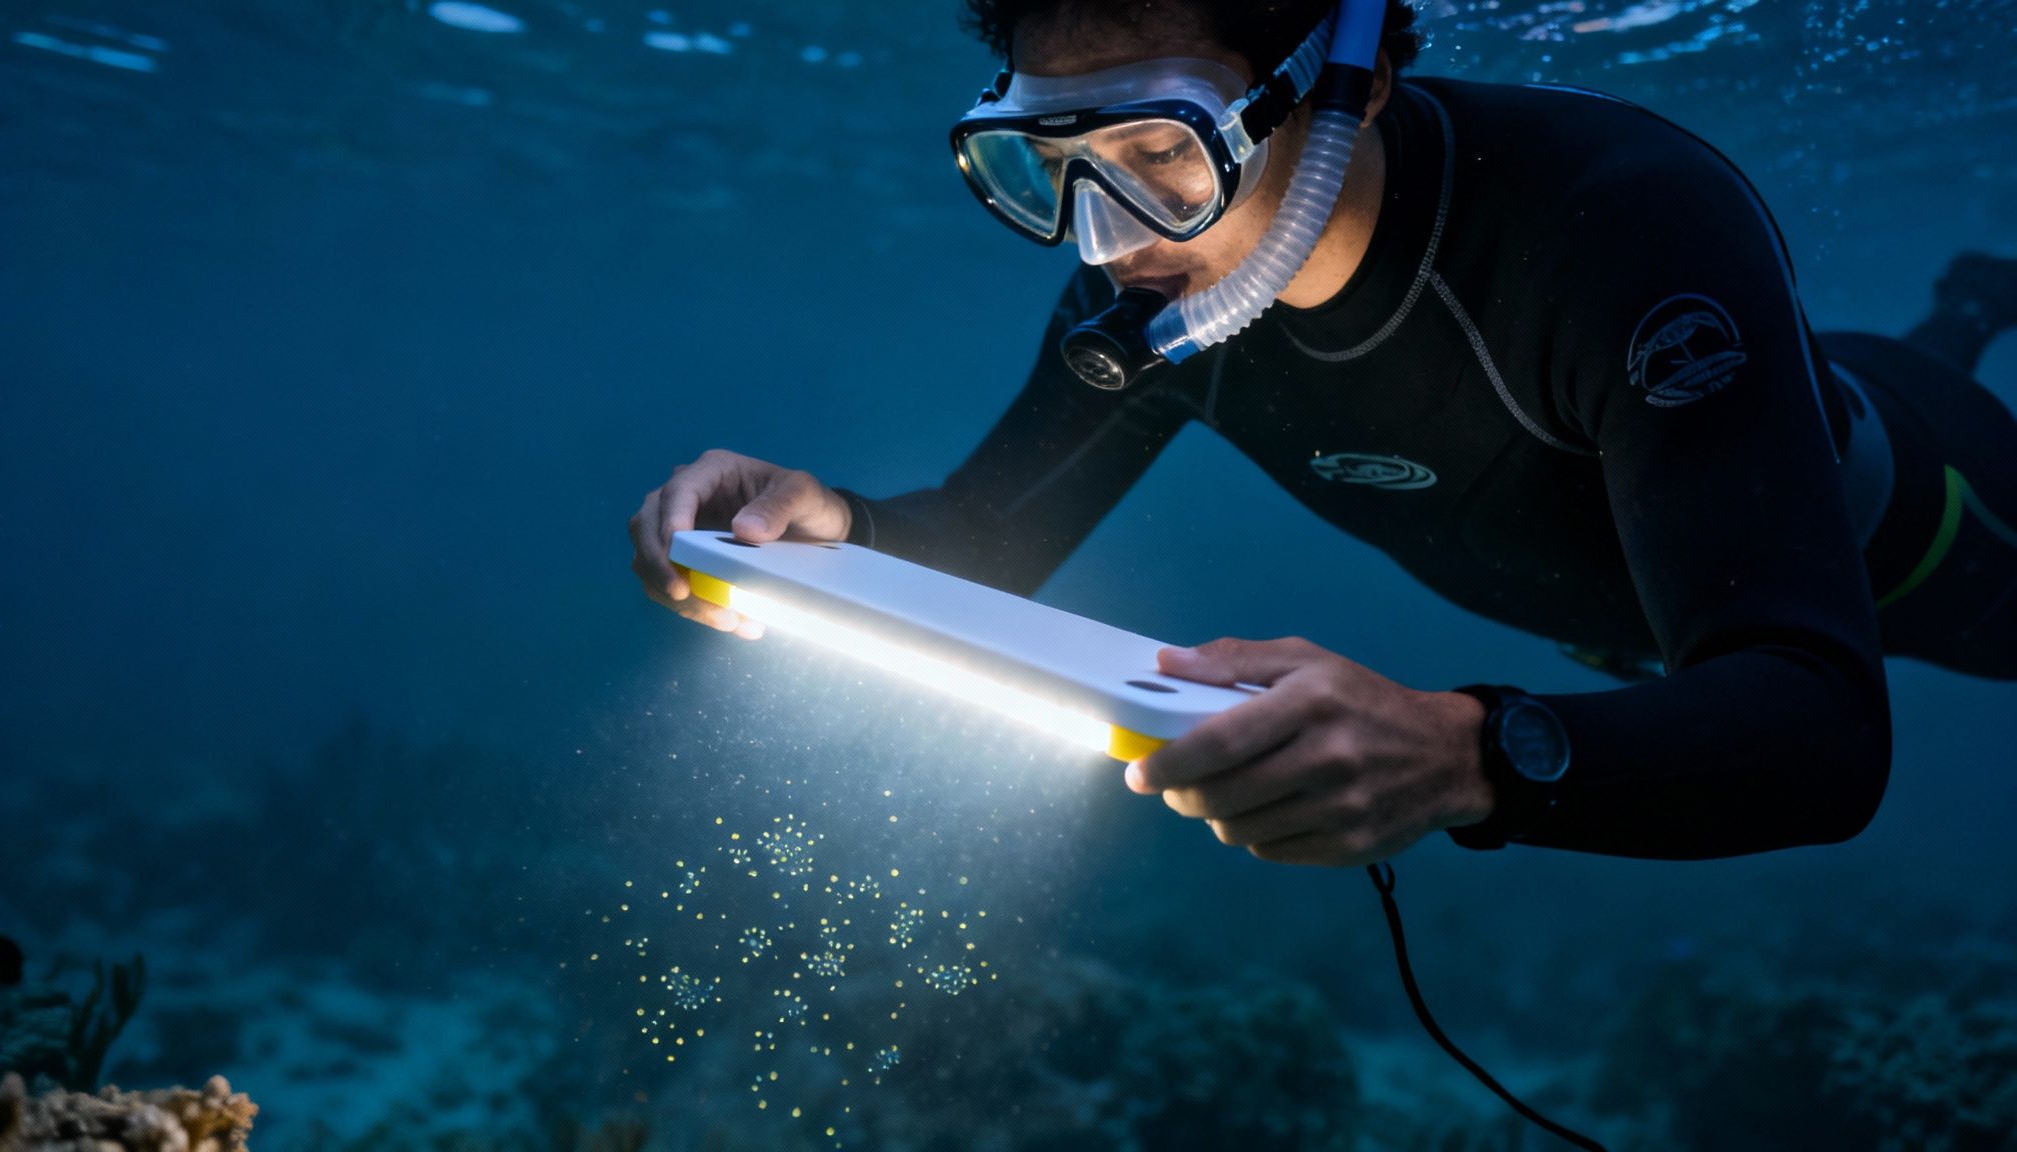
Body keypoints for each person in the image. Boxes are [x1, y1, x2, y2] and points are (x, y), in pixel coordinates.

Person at [629, 0, 2017, 865]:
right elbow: (986, 540)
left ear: (1344, 75)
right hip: (1649, 568)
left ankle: (1962, 319)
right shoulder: (1149, 295)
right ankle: (1967, 302)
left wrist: (1475, 753)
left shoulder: (1628, 223)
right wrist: (836, 534)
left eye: (1163, 150)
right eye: (1047, 165)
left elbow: (1822, 727)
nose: (1107, 241)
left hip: (1931, 524)